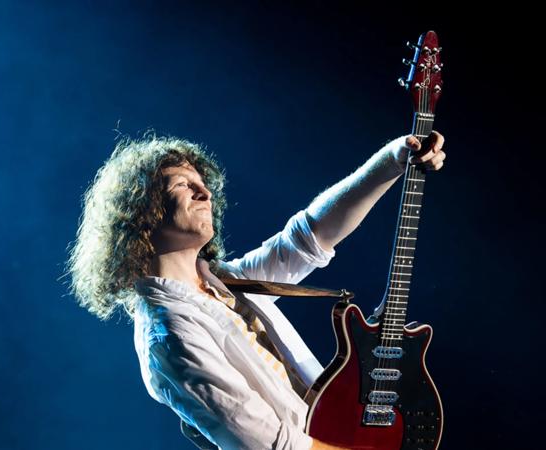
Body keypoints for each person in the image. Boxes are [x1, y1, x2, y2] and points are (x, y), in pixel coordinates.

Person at [66, 130, 445, 450]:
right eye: (184, 185)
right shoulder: (169, 334)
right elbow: (270, 444)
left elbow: (309, 236)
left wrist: (393, 160)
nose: (205, 194)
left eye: (204, 184)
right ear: (140, 214)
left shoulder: (225, 283)